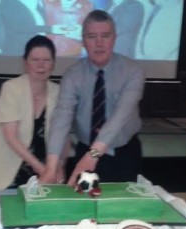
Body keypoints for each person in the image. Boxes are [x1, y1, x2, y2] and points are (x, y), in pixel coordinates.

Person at [40, 10, 145, 186]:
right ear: (83, 41)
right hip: (85, 151)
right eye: (91, 36)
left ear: (114, 38)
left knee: (124, 210)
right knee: (82, 208)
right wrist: (51, 167)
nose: (99, 43)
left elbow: (119, 119)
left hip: (124, 153)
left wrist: (93, 155)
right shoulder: (72, 76)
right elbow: (61, 120)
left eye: (105, 36)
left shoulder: (133, 72)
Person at [0, 35, 64, 190]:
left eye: (46, 60)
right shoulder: (11, 88)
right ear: (25, 63)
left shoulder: (57, 91)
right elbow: (11, 138)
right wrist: (42, 170)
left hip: (46, 166)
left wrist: (59, 165)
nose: (41, 65)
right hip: (11, 166)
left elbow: (62, 135)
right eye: (35, 60)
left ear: (53, 64)